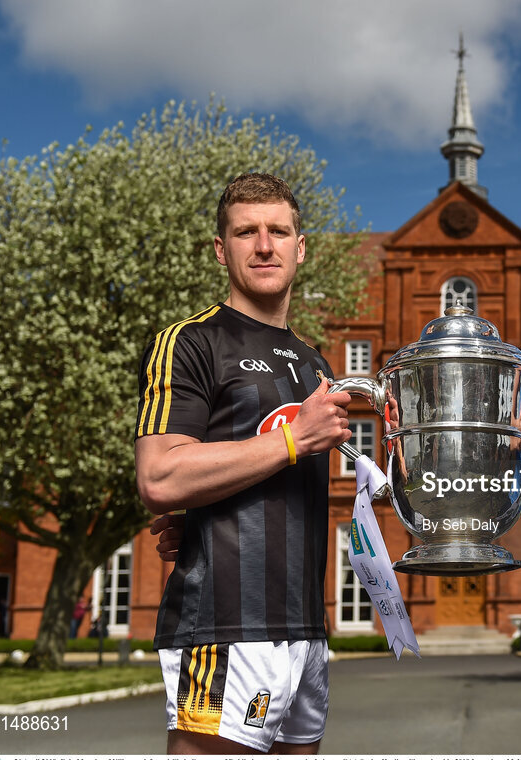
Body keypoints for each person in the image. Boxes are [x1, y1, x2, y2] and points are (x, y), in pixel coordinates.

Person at [135, 172, 353, 755]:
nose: (264, 245)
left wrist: (204, 517)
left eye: (279, 231)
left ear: (299, 247)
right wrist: (292, 439)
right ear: (219, 248)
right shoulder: (191, 343)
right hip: (225, 627)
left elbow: (264, 488)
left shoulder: (314, 362)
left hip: (304, 629)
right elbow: (159, 476)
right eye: (246, 232)